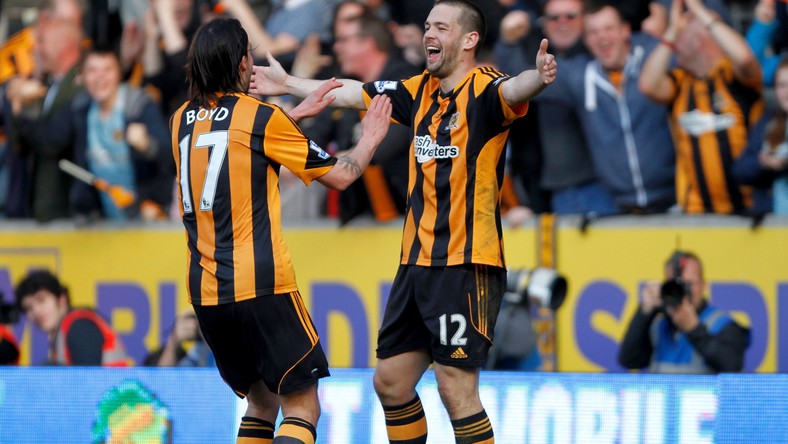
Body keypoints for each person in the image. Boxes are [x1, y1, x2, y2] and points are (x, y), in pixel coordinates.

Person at [251, 1, 557, 441]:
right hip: (415, 265)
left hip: (464, 262)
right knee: (391, 383)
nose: (429, 33)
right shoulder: (416, 90)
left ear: (469, 40)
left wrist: (539, 77)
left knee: (455, 387)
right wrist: (287, 84)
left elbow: (515, 89)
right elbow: (351, 91)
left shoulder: (486, 88)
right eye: (428, 25)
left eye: (442, 28)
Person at [171, 18, 391, 444]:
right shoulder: (262, 116)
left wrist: (292, 118)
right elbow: (341, 175)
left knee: (260, 404)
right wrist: (370, 137)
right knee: (303, 407)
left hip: (207, 294)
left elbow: (228, 142)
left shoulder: (180, 120)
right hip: (262, 286)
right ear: (241, 64)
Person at [15, 46, 174, 221]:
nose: (100, 77)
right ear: (81, 77)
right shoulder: (80, 108)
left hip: (148, 217)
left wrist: (148, 146)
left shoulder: (138, 105)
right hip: (102, 223)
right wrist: (24, 107)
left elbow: (170, 158)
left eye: (107, 69)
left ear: (119, 74)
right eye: (92, 70)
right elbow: (49, 140)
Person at [639, 0, 763, 215]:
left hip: (749, 211)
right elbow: (648, 85)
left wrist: (699, 11)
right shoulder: (680, 82)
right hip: (696, 213)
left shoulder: (732, 75)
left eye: (681, 33)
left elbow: (744, 58)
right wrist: (671, 32)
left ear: (700, 38)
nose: (675, 42)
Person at [618, 251, 750, 373]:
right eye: (675, 285)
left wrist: (694, 329)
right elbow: (629, 360)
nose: (683, 292)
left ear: (702, 285)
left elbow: (732, 366)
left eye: (688, 284)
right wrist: (644, 312)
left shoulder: (722, 325)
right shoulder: (659, 325)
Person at [14, 269, 132, 366]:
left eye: (41, 300)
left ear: (62, 299)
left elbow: (88, 379)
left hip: (113, 388)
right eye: (29, 308)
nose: (36, 311)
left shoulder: (79, 326)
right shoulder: (62, 332)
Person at [143, 308, 215, 367]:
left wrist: (208, 336)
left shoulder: (204, 350)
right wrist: (174, 340)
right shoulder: (183, 357)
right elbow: (163, 376)